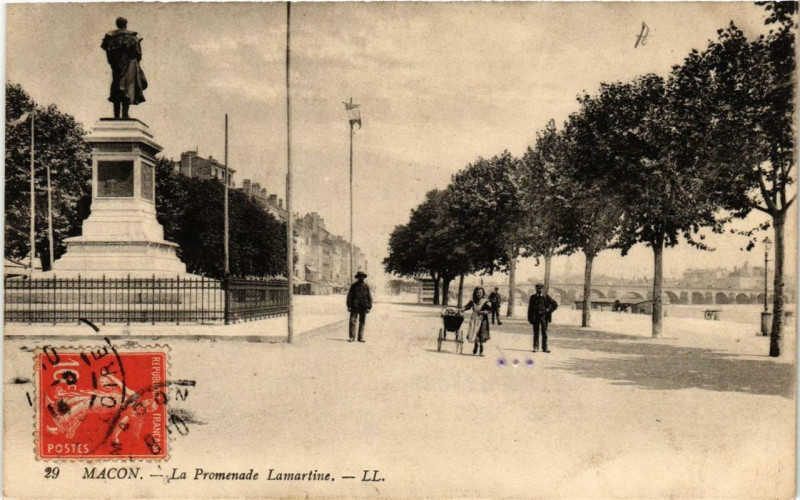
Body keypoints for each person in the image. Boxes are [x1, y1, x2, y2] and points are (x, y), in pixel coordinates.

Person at [101, 17, 147, 119]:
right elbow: (138, 55)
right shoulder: (133, 38)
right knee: (127, 89)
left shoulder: (111, 38)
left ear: (117, 24)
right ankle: (125, 115)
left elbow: (109, 56)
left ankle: (116, 115)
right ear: (126, 24)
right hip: (129, 66)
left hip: (116, 67)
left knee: (116, 89)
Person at [527, 283, 558, 353]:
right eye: (537, 288)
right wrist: (530, 318)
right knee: (536, 332)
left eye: (540, 288)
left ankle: (545, 348)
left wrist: (548, 310)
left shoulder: (546, 297)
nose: (539, 289)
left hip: (544, 317)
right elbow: (530, 309)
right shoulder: (532, 297)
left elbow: (555, 304)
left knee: (544, 333)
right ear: (535, 289)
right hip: (535, 317)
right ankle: (536, 347)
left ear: (542, 289)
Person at [463, 287, 492, 356]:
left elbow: (490, 310)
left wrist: (484, 312)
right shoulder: (473, 300)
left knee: (481, 332)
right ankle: (475, 346)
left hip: (483, 319)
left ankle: (481, 349)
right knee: (474, 332)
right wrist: (463, 308)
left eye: (480, 292)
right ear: (475, 293)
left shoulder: (486, 301)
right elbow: (468, 306)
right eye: (478, 292)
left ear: (483, 293)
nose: (479, 294)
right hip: (474, 318)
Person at [346, 271, 372, 343]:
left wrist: (369, 307)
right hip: (355, 306)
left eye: (363, 276)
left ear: (364, 277)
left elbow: (369, 297)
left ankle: (360, 337)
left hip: (363, 307)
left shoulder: (366, 286)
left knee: (362, 322)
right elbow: (349, 296)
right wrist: (349, 305)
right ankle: (352, 337)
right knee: (352, 321)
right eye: (360, 276)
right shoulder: (353, 286)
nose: (361, 278)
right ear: (358, 277)